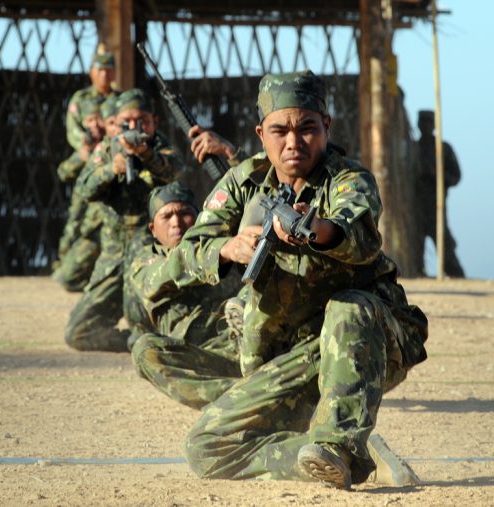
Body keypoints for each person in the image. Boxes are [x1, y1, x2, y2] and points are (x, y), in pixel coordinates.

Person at [163, 70, 428, 489]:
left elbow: (357, 235)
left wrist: (314, 230)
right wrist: (227, 248)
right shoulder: (243, 182)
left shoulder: (349, 179)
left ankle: (338, 444)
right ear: (261, 133)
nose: (293, 143)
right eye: (280, 131)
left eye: (307, 129)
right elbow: (183, 256)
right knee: (206, 447)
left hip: (365, 344)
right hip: (289, 355)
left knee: (350, 306)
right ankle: (326, 449)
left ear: (327, 127)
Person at [64, 88, 186, 352]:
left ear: (155, 122)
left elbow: (176, 171)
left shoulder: (160, 148)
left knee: (143, 320)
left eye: (142, 121)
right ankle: (129, 342)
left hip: (147, 253)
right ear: (113, 125)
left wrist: (147, 156)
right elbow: (84, 188)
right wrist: (112, 169)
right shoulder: (106, 151)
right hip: (113, 254)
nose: (134, 127)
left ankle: (149, 339)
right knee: (77, 332)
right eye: (126, 122)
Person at [129, 181, 244, 409]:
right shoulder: (144, 262)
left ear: (200, 218)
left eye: (184, 213)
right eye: (167, 216)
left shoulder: (224, 243)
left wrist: (231, 155)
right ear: (153, 229)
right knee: (145, 351)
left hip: (248, 341)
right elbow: (168, 273)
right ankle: (239, 399)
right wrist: (217, 254)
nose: (177, 223)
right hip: (204, 358)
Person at [52, 96, 119, 292]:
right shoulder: (87, 148)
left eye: (99, 119)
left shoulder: (115, 146)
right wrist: (84, 154)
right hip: (87, 223)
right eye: (90, 120)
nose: (95, 125)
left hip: (109, 223)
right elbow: (63, 172)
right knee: (67, 274)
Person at [416, 110, 465, 277]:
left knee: (445, 247)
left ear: (434, 125)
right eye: (422, 121)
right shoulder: (413, 148)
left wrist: (437, 175)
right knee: (415, 247)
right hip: (415, 206)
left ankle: (457, 276)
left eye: (428, 122)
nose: (424, 125)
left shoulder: (443, 149)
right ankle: (418, 273)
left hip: (436, 206)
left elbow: (456, 176)